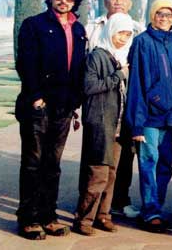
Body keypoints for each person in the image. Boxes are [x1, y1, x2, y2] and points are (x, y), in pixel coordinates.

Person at [14, 0, 87, 240]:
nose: (63, 1)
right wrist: (35, 97)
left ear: (75, 1)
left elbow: (78, 67)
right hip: (39, 105)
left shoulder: (78, 29)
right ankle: (29, 218)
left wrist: (75, 100)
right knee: (33, 163)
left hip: (64, 106)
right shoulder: (34, 25)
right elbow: (26, 63)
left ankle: (48, 215)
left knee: (52, 164)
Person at [126, 0, 172, 232]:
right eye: (160, 14)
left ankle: (155, 207)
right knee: (148, 162)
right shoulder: (142, 42)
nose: (164, 18)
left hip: (170, 116)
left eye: (168, 14)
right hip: (150, 116)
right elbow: (137, 84)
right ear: (153, 16)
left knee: (165, 164)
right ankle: (151, 210)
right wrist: (137, 124)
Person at [87, 0, 145, 220]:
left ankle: (118, 200)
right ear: (105, 2)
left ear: (130, 2)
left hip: (128, 98)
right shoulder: (93, 28)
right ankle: (91, 204)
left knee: (125, 154)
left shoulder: (138, 30)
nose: (118, 2)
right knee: (97, 155)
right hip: (100, 99)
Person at [73, 13, 135, 236]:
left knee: (111, 174)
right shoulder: (97, 56)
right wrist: (118, 76)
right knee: (97, 173)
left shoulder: (120, 57)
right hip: (100, 123)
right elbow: (89, 87)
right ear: (110, 31)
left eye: (128, 34)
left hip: (117, 126)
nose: (123, 38)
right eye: (120, 33)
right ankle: (83, 220)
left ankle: (103, 215)